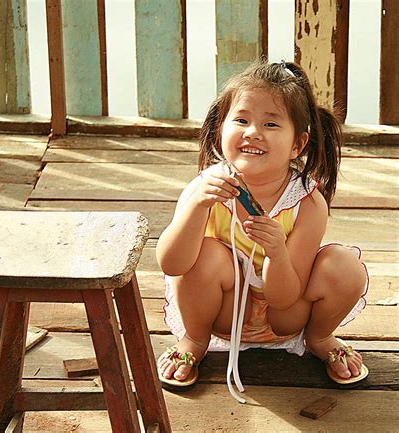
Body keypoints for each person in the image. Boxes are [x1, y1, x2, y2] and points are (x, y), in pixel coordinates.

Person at [156, 60, 369, 399]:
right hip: (223, 316)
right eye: (241, 120)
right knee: (206, 252)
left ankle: (320, 338)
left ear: (297, 145)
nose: (253, 132)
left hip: (286, 318)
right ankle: (194, 341)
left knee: (344, 266)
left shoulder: (308, 203)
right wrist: (197, 207)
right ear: (218, 131)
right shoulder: (204, 189)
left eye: (271, 124)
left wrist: (277, 252)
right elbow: (171, 264)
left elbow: (284, 298)